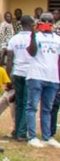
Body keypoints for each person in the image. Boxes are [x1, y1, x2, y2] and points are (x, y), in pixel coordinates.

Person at [24, 12, 60, 147]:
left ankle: (47, 136)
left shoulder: (57, 39)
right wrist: (33, 35)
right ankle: (32, 136)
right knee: (32, 107)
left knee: (48, 108)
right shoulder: (36, 36)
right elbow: (32, 52)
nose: (47, 23)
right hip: (36, 75)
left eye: (49, 21)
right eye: (44, 20)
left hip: (52, 77)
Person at [6, 16, 34, 141]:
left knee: (19, 103)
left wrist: (8, 77)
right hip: (30, 74)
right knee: (26, 103)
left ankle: (17, 130)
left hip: (17, 73)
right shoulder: (33, 38)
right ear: (31, 24)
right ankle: (21, 133)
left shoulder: (14, 39)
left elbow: (10, 60)